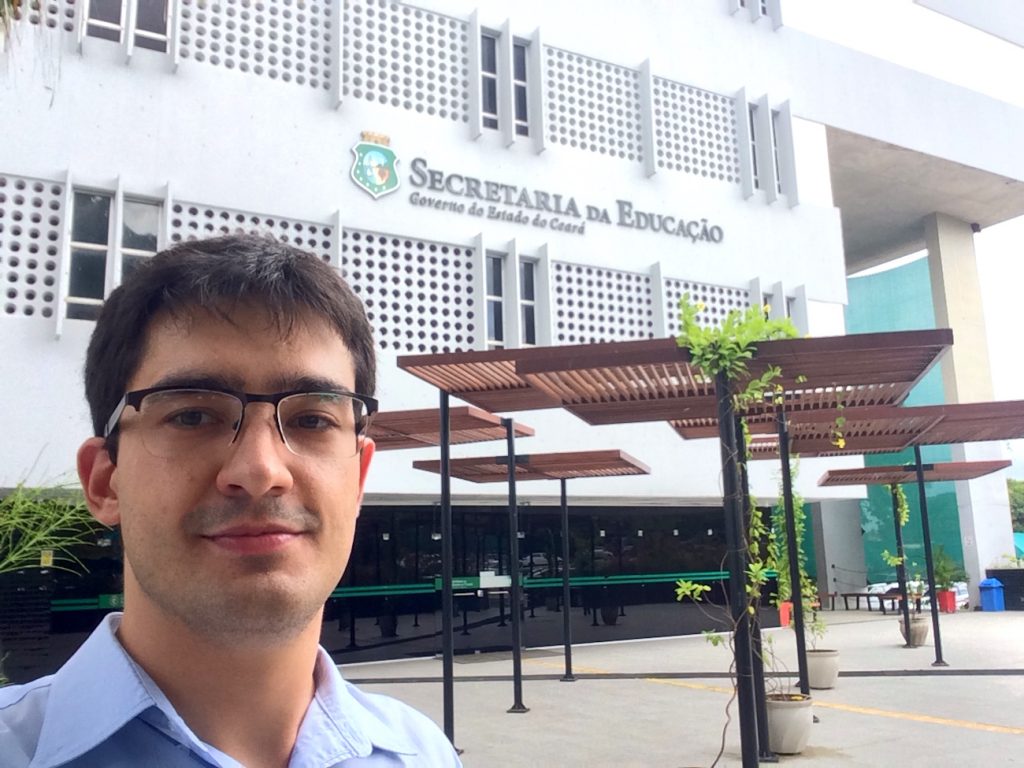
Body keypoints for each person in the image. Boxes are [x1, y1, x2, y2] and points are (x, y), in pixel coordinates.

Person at [0, 234, 462, 767]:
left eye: (312, 419)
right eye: (193, 415)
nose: (261, 470)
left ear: (357, 479)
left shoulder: (422, 754)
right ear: (106, 482)